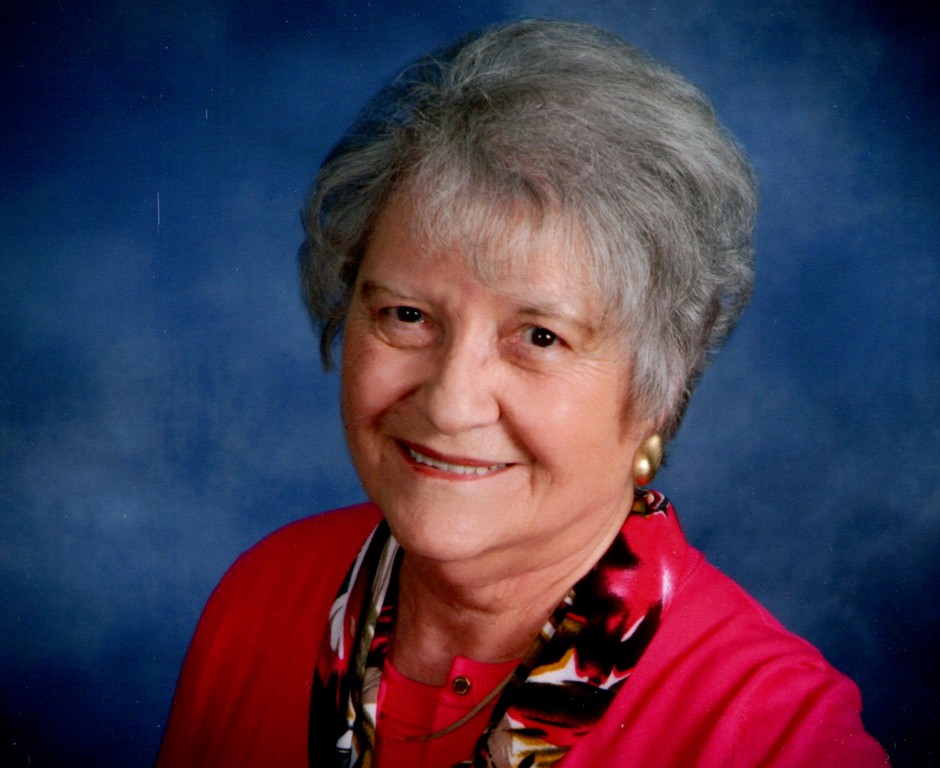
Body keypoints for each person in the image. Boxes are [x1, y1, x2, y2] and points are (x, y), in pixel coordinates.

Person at [157, 19, 888, 768]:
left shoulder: (779, 736)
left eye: (540, 336)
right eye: (406, 316)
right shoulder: (263, 597)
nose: (450, 403)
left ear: (660, 390)